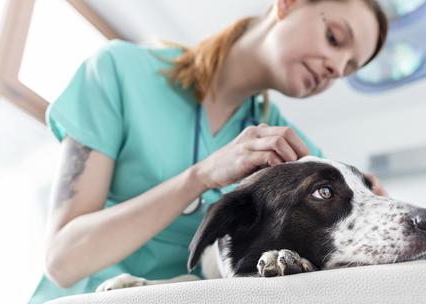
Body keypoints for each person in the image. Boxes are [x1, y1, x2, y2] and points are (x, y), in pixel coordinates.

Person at [29, 0, 388, 302]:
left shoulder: (295, 158)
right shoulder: (118, 71)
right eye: (334, 38)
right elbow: (64, 260)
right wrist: (201, 176)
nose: (335, 68)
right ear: (288, 4)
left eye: (348, 70)